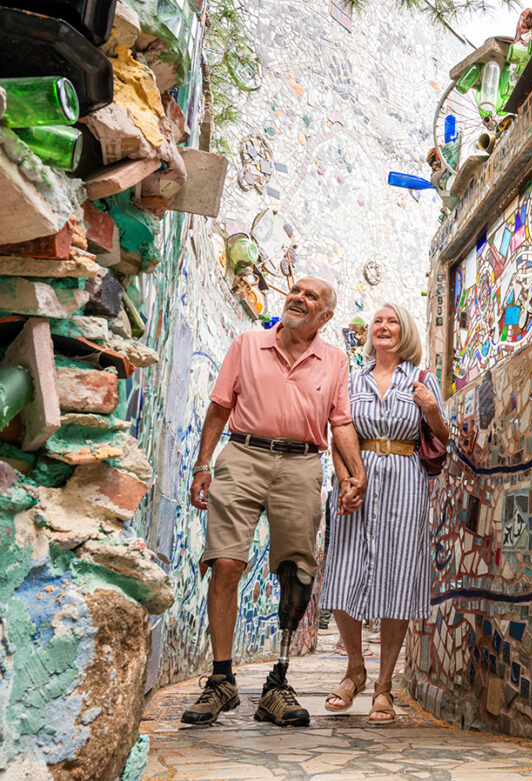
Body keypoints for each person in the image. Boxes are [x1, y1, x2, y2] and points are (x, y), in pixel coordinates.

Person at [181, 276, 366, 727]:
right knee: (225, 562)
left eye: (312, 297)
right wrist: (203, 463)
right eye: (296, 291)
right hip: (242, 454)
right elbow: (220, 406)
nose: (299, 298)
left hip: (302, 463)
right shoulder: (247, 343)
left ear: (325, 317)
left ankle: (277, 683)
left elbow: (339, 422)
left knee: (297, 572)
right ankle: (221, 680)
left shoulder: (335, 360)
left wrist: (353, 472)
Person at [320, 302, 449, 723]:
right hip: (358, 480)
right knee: (343, 571)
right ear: (369, 332)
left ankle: (384, 686)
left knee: (398, 576)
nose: (384, 327)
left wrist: (430, 409)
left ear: (404, 331)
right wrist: (344, 480)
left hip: (405, 481)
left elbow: (443, 437)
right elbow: (338, 434)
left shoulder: (421, 379)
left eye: (392, 321)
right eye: (378, 321)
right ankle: (354, 668)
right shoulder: (351, 380)